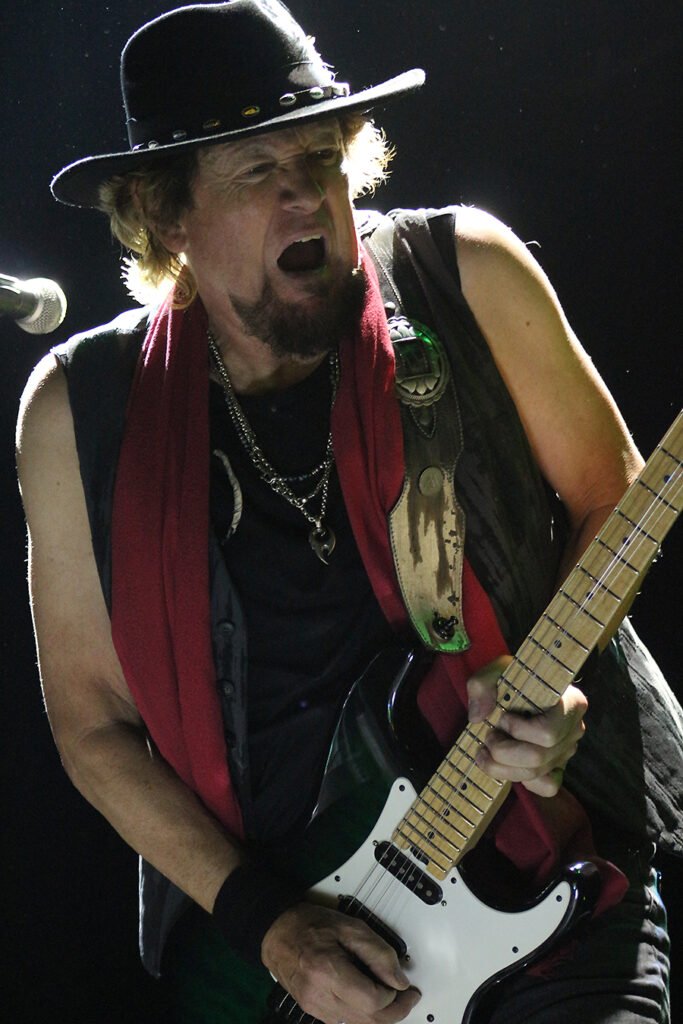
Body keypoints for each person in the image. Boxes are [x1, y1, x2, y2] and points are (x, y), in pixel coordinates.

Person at [15, 2, 681, 1022]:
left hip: (550, 883)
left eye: (320, 158)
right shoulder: (78, 411)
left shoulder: (463, 275)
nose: (306, 199)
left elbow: (612, 496)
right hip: (289, 960)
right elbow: (92, 728)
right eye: (256, 172)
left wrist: (554, 688)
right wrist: (270, 928)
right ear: (165, 215)